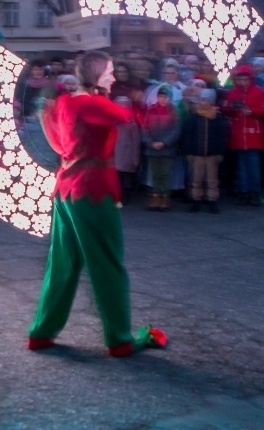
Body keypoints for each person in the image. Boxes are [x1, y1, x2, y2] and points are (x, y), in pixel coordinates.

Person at [28, 50, 166, 357]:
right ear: (95, 76)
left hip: (65, 190)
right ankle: (119, 339)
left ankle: (42, 332)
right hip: (92, 191)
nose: (114, 77)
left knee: (62, 264)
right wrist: (138, 96)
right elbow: (129, 119)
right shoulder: (92, 103)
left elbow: (58, 139)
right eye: (110, 72)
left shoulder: (64, 103)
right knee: (107, 264)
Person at [222, 64, 264, 206]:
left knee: (253, 166)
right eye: (240, 79)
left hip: (253, 134)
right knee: (242, 166)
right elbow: (225, 109)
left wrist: (251, 111)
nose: (243, 81)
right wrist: (230, 108)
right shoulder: (232, 92)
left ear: (250, 78)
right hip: (238, 133)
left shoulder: (260, 92)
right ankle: (244, 192)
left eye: (245, 78)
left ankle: (254, 192)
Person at [183, 88, 227, 213]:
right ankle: (196, 200)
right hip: (197, 154)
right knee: (196, 178)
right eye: (202, 99)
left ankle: (212, 200)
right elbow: (188, 136)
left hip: (212, 154)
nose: (205, 103)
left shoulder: (217, 118)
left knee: (212, 179)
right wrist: (189, 152)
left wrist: (220, 152)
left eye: (207, 100)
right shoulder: (193, 118)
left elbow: (222, 136)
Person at [142, 85, 182, 211]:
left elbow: (176, 130)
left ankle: (165, 197)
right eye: (160, 96)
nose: (163, 99)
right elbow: (144, 128)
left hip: (167, 149)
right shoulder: (151, 110)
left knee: (165, 173)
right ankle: (155, 196)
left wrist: (165, 143)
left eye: (165, 97)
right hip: (152, 148)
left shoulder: (174, 111)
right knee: (155, 173)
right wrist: (150, 142)